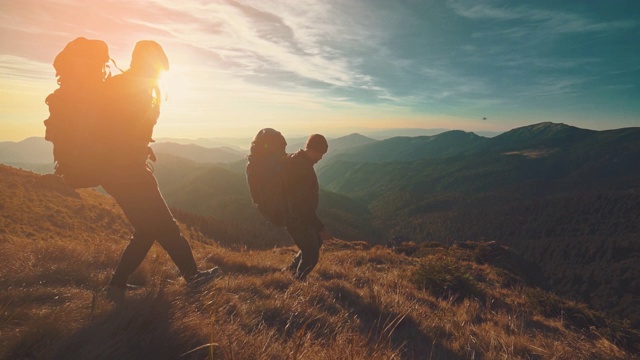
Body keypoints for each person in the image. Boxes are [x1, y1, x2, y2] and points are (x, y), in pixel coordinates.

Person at [99, 40, 218, 293]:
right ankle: (193, 277)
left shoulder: (120, 85)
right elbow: (124, 131)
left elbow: (120, 130)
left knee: (146, 229)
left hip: (113, 171)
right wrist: (136, 148)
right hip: (129, 171)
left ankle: (116, 284)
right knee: (166, 227)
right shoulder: (135, 89)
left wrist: (141, 146)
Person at [283, 134, 333, 280]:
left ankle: (291, 270)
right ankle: (297, 282)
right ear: (313, 150)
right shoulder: (301, 168)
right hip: (296, 218)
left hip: (296, 216)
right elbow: (302, 205)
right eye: (321, 153)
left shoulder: (296, 160)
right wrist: (321, 227)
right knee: (311, 254)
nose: (321, 158)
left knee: (316, 242)